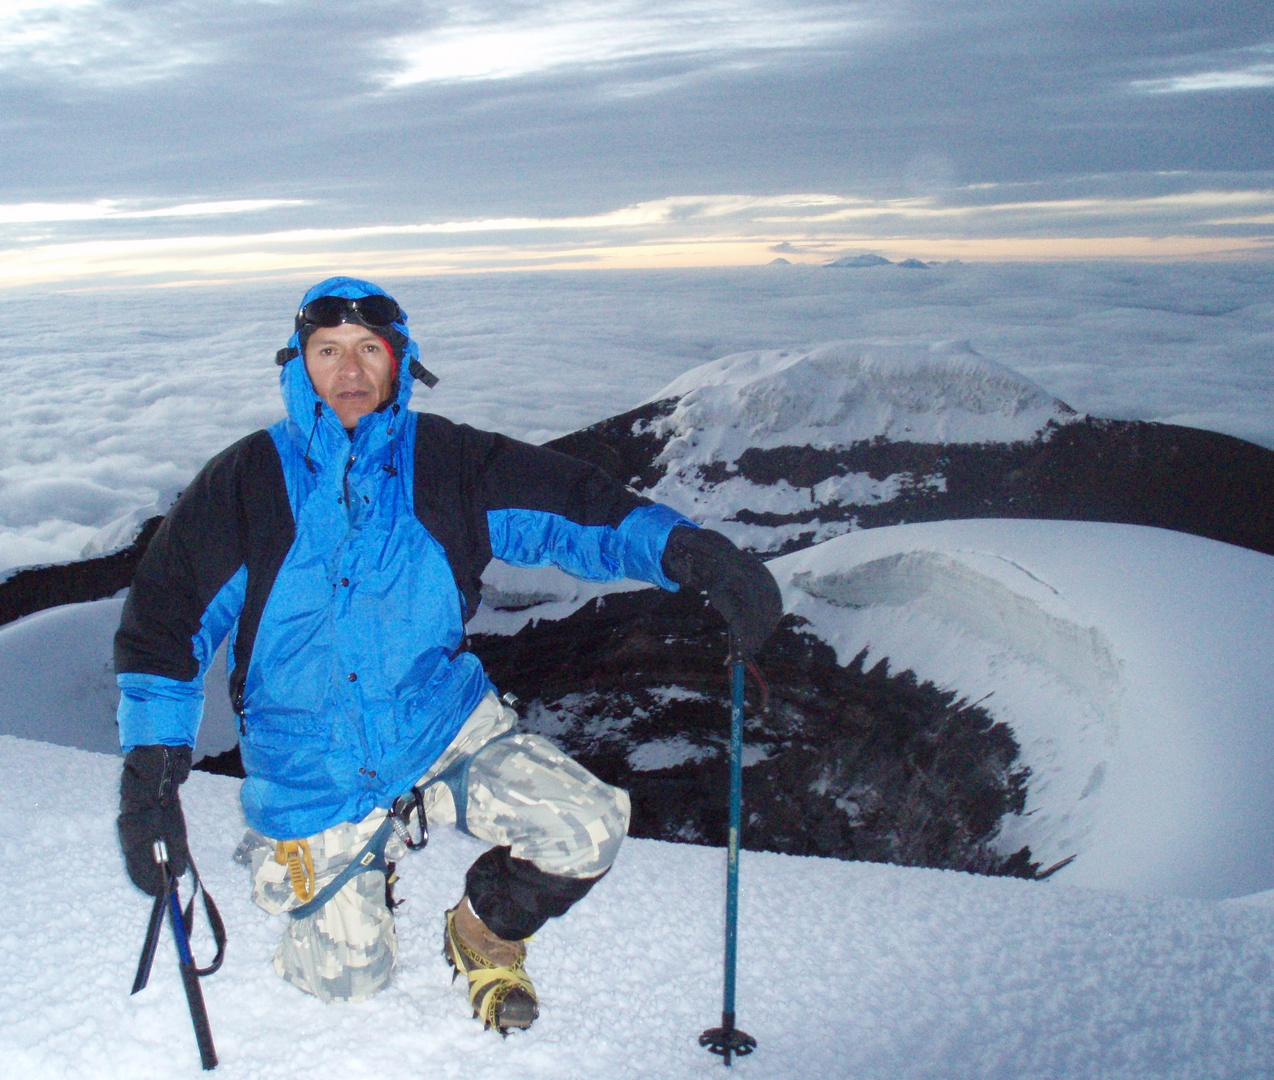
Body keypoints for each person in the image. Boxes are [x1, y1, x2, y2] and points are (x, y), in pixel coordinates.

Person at [113, 276, 782, 1032]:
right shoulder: (248, 483)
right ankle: (323, 861)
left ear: (402, 361)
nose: (350, 372)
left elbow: (575, 511)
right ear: (298, 364)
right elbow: (165, 631)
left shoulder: (446, 464)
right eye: (327, 351)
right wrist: (152, 781)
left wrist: (691, 553)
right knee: (349, 987)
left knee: (585, 827)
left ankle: (481, 931)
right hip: (315, 767)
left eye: (371, 350)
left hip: (442, 728)